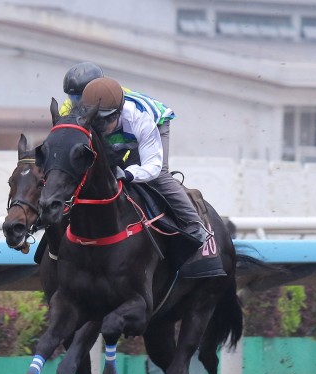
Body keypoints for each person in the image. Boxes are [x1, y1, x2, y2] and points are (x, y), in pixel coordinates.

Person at [79, 76, 225, 277]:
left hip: (156, 123)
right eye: (97, 120)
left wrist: (128, 174)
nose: (103, 127)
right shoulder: (86, 119)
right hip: (126, 129)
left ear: (119, 112)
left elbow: (153, 167)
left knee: (158, 177)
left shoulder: (139, 119)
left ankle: (194, 224)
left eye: (108, 119)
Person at [59, 62, 175, 173]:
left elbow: (120, 137)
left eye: (80, 97)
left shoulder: (116, 99)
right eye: (73, 97)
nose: (77, 103)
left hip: (149, 125)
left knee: (158, 174)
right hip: (118, 128)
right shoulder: (67, 109)